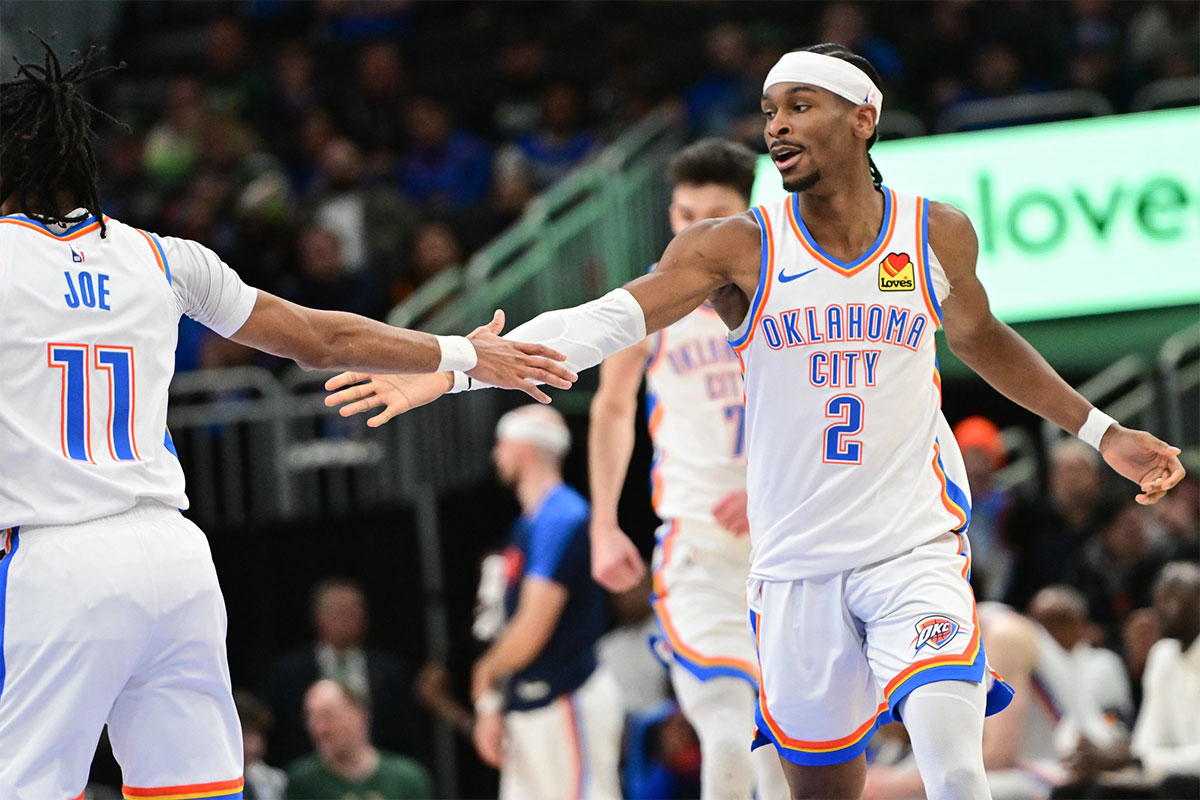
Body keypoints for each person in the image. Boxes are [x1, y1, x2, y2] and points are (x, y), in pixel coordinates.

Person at [327, 42, 1185, 799]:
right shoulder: (736, 246)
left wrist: (1105, 434)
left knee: (955, 770)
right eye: (769, 111)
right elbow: (603, 322)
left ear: (862, 119)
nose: (776, 126)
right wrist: (451, 363)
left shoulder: (935, 233)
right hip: (793, 568)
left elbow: (984, 339)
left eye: (800, 107)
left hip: (911, 547)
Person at [0, 40, 572, 800]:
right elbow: (320, 338)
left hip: (54, 559)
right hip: (174, 560)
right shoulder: (162, 257)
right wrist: (461, 351)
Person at [588, 137, 786, 798]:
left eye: (715, 212)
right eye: (683, 214)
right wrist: (605, 522)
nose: (696, 229)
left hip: (791, 536)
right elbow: (612, 408)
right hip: (698, 544)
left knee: (791, 742)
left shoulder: (791, 292)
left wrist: (767, 487)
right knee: (728, 728)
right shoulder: (646, 302)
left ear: (749, 212)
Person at [471, 405, 623, 799]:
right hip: (530, 706)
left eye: (500, 445)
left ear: (524, 450)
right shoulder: (528, 524)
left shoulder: (561, 517)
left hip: (567, 698)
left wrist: (484, 674)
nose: (495, 456)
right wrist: (491, 703)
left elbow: (532, 627)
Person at [260, 578, 423, 766]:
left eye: (354, 612)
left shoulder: (390, 671)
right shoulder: (289, 672)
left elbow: (408, 733)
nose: (347, 619)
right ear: (317, 617)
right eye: (338, 612)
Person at [285, 679, 433, 800]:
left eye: (328, 716)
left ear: (360, 716)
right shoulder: (302, 782)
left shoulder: (407, 778)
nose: (318, 729)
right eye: (311, 718)